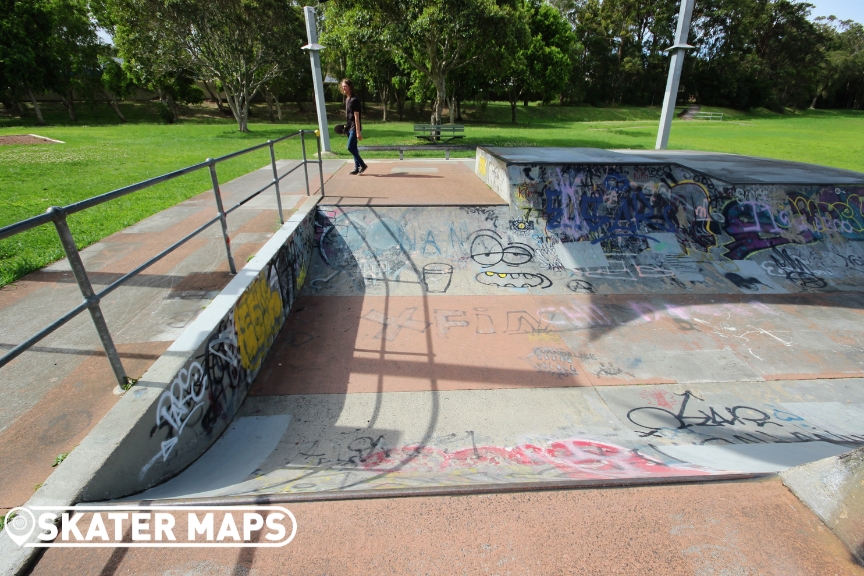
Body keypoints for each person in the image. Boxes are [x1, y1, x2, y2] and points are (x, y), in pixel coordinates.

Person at [340, 78, 367, 175]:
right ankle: (356, 168)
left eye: (345, 86)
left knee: (350, 147)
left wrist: (358, 131)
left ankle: (363, 165)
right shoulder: (347, 99)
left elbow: (356, 116)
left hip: (354, 128)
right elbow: (349, 116)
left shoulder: (355, 100)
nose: (343, 88)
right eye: (342, 86)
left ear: (350, 87)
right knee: (354, 148)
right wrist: (345, 128)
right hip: (349, 127)